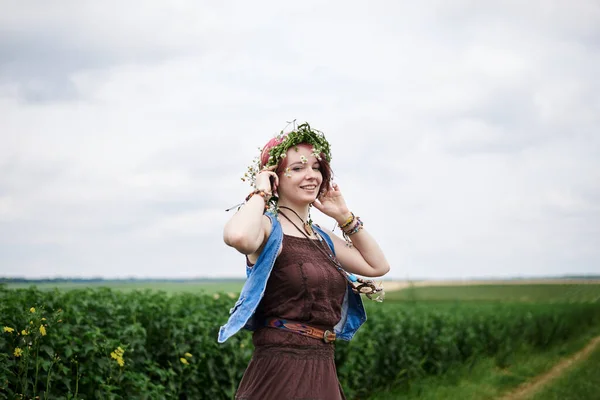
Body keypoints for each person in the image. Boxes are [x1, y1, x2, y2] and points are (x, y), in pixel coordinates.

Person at [219, 122, 390, 399]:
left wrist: (344, 217)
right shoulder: (265, 228)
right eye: (297, 168)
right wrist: (260, 192)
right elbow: (238, 236)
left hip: (322, 364)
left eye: (316, 167)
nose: (311, 175)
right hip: (279, 369)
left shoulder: (322, 238)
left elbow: (377, 265)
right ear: (275, 177)